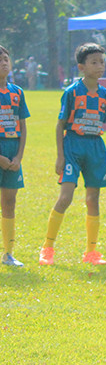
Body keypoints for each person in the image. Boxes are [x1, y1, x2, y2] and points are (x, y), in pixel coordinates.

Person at [39, 43, 106, 265]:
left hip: (95, 147)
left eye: (102, 62)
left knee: (93, 199)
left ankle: (91, 252)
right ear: (82, 67)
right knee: (65, 197)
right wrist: (60, 156)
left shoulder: (105, 95)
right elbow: (60, 125)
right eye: (94, 62)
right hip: (72, 146)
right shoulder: (71, 92)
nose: (100, 66)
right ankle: (47, 248)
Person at [0, 44, 29, 267]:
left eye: (5, 59)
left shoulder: (17, 92)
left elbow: (23, 126)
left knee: (9, 202)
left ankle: (8, 253)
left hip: (12, 152)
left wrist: (18, 156)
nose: (3, 63)